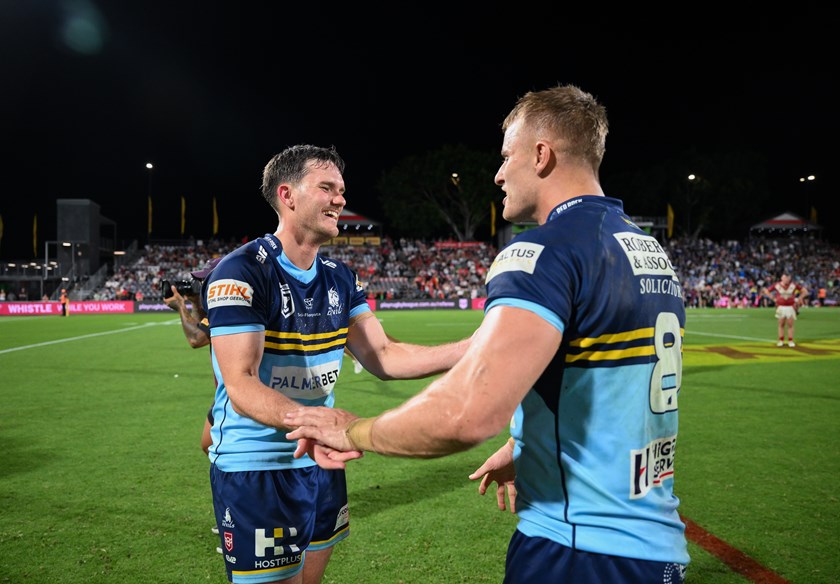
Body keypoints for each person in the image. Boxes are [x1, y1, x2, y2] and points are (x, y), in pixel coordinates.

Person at [285, 85, 690, 583]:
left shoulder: (543, 252)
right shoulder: (647, 250)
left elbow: (466, 415)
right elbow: (604, 385)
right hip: (656, 543)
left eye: (506, 156)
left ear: (541, 155)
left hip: (578, 549)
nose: (498, 174)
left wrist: (352, 431)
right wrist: (528, 447)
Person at [203, 144, 471, 584]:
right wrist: (316, 423)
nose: (340, 199)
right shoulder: (242, 271)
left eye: (341, 190)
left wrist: (473, 348)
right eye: (326, 188)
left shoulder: (340, 277)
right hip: (259, 465)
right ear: (287, 195)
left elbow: (383, 355)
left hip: (321, 459)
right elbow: (241, 382)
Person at [163, 256, 224, 554]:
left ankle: (236, 521)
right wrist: (195, 303)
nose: (199, 286)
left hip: (235, 396)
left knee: (226, 457)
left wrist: (181, 307)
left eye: (202, 281)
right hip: (224, 396)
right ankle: (229, 515)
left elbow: (196, 338)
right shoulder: (215, 308)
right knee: (209, 446)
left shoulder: (226, 308)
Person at [762, 272, 808, 347]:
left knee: (790, 324)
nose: (786, 279)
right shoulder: (777, 285)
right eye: (785, 278)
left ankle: (790, 340)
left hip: (790, 307)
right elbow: (767, 291)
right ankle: (781, 340)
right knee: (781, 324)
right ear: (782, 278)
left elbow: (805, 291)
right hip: (781, 307)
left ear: (790, 278)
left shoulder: (793, 285)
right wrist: (773, 298)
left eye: (788, 278)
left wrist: (799, 298)